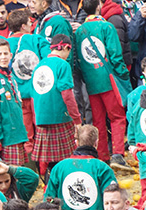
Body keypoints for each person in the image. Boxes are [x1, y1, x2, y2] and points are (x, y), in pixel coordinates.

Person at [74, 0, 129, 164]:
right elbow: (115, 55)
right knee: (117, 117)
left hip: (91, 82)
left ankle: (102, 155)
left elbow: (78, 60)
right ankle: (118, 154)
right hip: (108, 79)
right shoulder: (106, 27)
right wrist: (123, 75)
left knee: (98, 121)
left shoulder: (79, 31)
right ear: (99, 6)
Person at [32, 35, 81, 174]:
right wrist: (77, 119)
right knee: (64, 161)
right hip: (60, 118)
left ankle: (49, 189)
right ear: (66, 48)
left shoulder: (39, 65)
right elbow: (67, 95)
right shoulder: (63, 65)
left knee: (51, 162)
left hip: (41, 118)